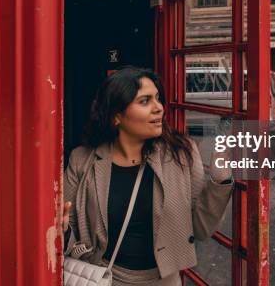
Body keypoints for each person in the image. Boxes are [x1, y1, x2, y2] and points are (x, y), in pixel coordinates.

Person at [62, 67, 234, 285]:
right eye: (145, 101)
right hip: (103, 278)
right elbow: (69, 230)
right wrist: (62, 228)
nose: (159, 108)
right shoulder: (82, 160)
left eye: (158, 99)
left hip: (163, 280)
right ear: (117, 116)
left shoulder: (181, 154)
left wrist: (220, 180)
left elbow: (200, 229)